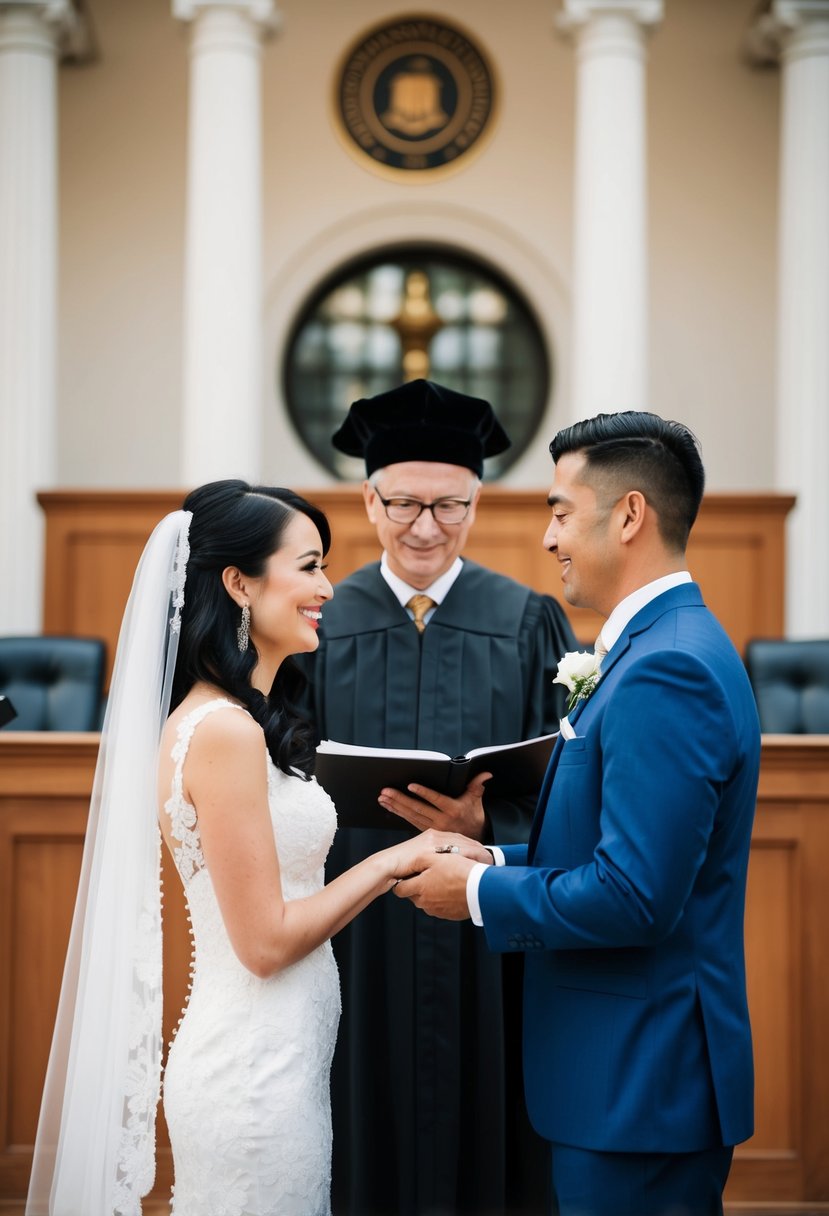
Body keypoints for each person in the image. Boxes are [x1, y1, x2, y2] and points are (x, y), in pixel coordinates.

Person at [26, 479, 446, 1216]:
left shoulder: (239, 719)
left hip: (279, 1059)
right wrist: (393, 860)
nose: (327, 588)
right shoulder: (223, 730)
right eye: (309, 566)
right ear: (238, 582)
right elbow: (263, 943)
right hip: (253, 1073)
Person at [391, 411, 761, 1216]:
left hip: (640, 1084)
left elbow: (635, 895)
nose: (547, 538)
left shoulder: (668, 670)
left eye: (560, 510)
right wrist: (489, 859)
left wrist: (480, 899)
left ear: (628, 515)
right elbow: (609, 851)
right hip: (623, 1081)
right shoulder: (652, 649)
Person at [301, 379, 578, 1216]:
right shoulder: (318, 616)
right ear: (367, 497)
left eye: (449, 506)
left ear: (477, 500)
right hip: (355, 914)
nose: (425, 527)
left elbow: (572, 779)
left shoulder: (527, 619)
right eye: (403, 504)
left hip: (484, 912)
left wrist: (488, 819)